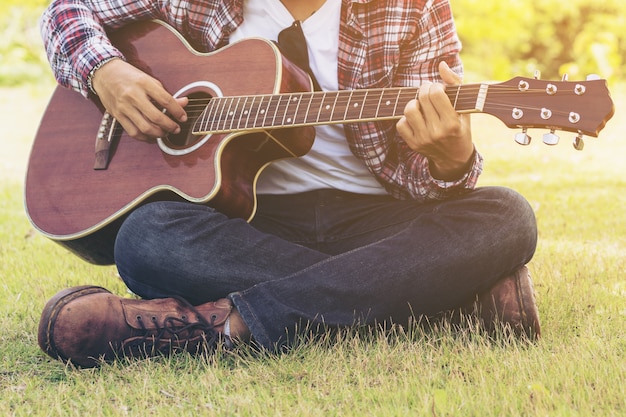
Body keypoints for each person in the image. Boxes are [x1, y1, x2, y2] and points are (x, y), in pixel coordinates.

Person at [37, 0, 540, 368]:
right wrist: (107, 71)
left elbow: (422, 180)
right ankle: (446, 306)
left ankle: (224, 326)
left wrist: (450, 160)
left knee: (506, 216)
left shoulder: (412, 7)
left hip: (374, 223)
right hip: (245, 224)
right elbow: (66, 11)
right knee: (146, 238)